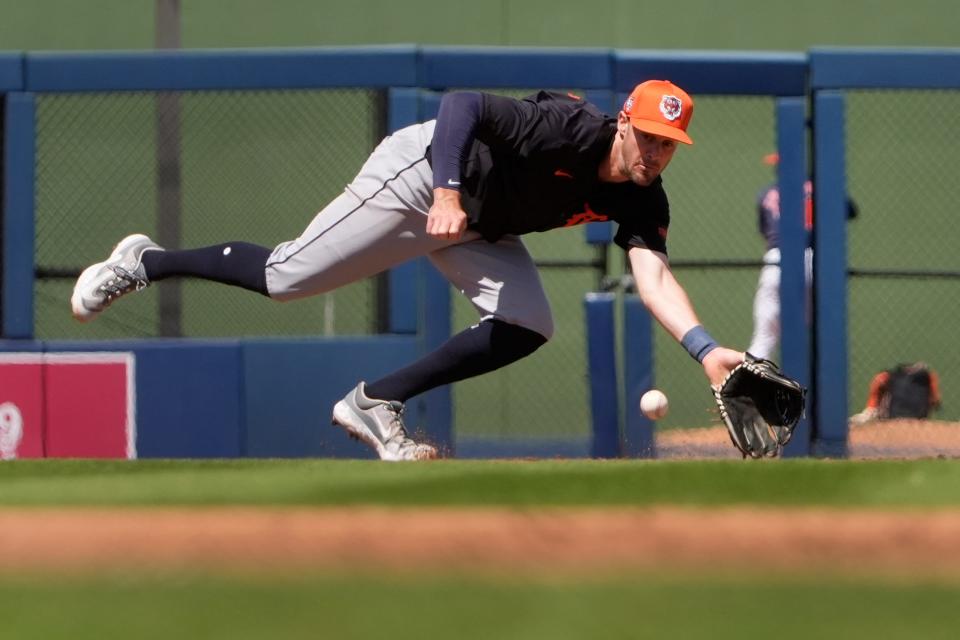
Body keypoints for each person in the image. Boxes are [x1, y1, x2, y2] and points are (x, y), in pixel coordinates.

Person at [71, 79, 746, 461]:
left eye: (671, 146)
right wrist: (447, 191)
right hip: (423, 174)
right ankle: (145, 261)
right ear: (625, 122)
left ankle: (374, 402)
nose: (656, 155)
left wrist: (706, 351)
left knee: (530, 321)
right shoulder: (568, 129)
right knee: (286, 279)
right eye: (651, 138)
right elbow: (463, 105)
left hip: (480, 222)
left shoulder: (643, 195)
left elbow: (652, 274)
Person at [747, 153, 857, 360]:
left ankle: (750, 389)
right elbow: (850, 210)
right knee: (815, 335)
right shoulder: (819, 188)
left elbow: (765, 231)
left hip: (776, 260)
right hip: (814, 261)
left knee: (764, 337)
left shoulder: (767, 193)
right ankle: (817, 387)